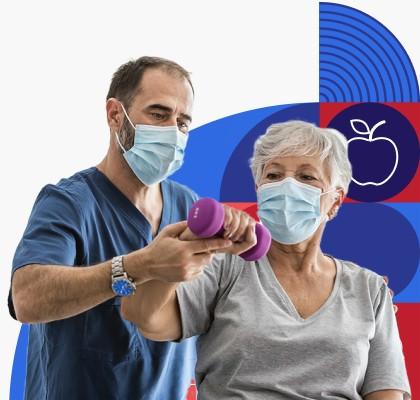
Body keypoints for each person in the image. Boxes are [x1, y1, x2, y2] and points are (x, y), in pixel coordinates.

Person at [9, 56, 255, 400]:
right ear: (115, 115)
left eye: (183, 122)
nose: (173, 131)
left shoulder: (187, 206)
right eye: (158, 114)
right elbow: (27, 298)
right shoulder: (69, 203)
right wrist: (139, 266)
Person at [122, 121, 411, 400]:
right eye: (273, 176)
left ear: (335, 201)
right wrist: (183, 248)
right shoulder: (224, 265)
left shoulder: (369, 288)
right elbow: (146, 318)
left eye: (306, 177)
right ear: (260, 190)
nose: (287, 186)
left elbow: (386, 391)